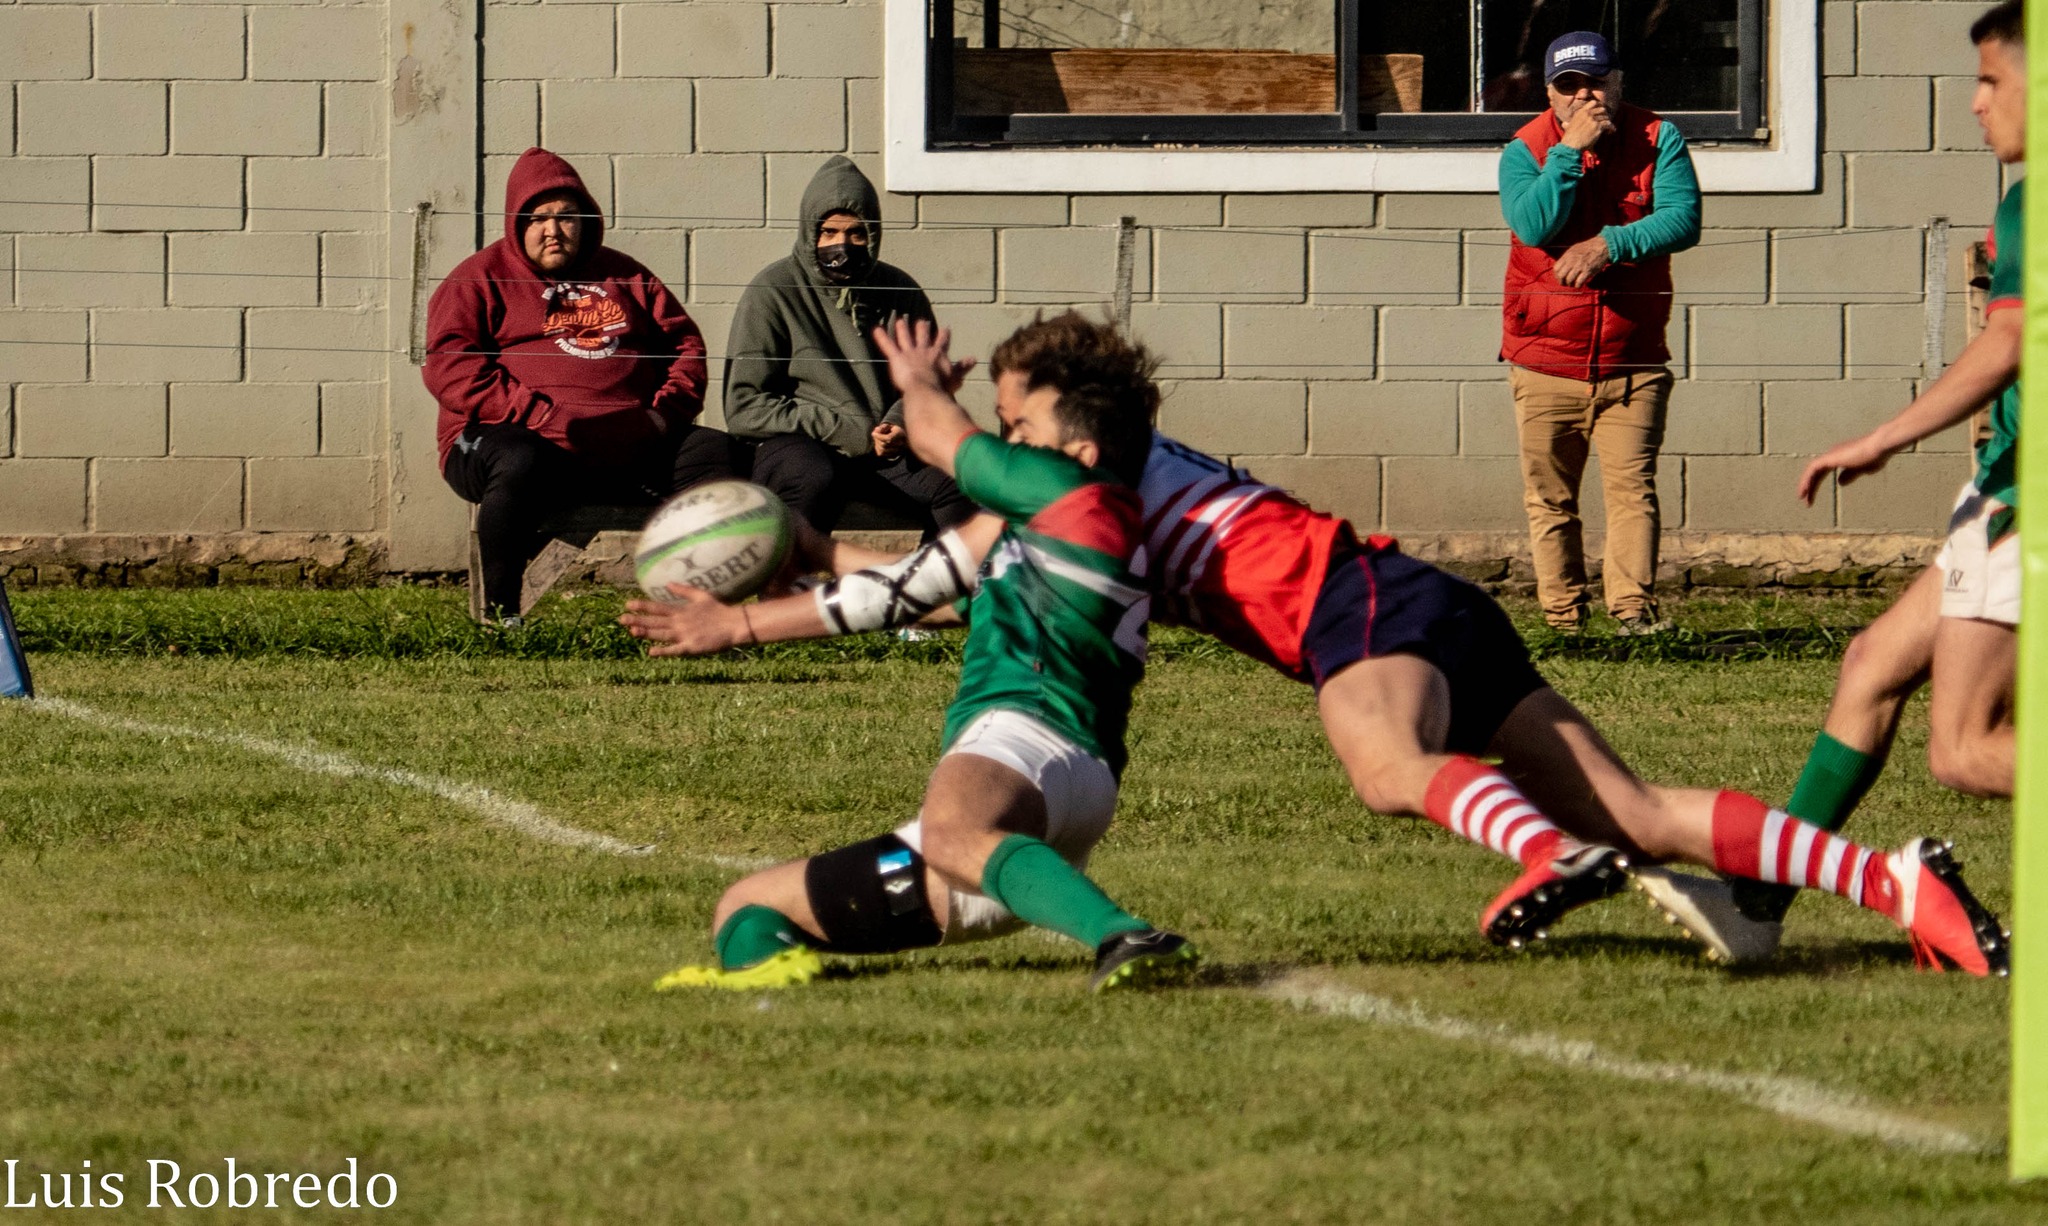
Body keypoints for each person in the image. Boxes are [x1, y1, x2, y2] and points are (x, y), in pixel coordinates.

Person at [625, 316, 2011, 981]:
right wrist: (783, 587)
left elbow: (942, 459)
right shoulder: (1084, 493)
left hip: (1354, 610)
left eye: (1019, 413)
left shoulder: (1085, 476)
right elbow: (946, 567)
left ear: (1071, 428)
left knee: (1378, 759)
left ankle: (1539, 850)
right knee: (1646, 808)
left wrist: (927, 393)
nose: (1006, 433)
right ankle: (1901, 884)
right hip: (1417, 596)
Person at [642, 314, 1196, 993]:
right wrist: (816, 554)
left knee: (948, 831)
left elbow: (935, 437)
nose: (1009, 440)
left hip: (1025, 733)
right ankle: (777, 1001)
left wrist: (917, 384)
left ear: (1081, 451)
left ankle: (1127, 936)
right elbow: (915, 589)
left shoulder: (1073, 493)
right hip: (1056, 799)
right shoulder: (1055, 527)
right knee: (750, 906)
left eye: (1024, 430)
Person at [1726, 0, 2026, 935]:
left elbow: (2011, 340)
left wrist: (1882, 436)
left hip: (2026, 504)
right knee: (1870, 665)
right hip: (2002, 488)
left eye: (1991, 80)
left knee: (1967, 751)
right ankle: (1757, 902)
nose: (1975, 104)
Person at [425, 147, 735, 621]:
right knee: (517, 457)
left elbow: (685, 348)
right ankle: (501, 618)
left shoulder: (627, 275)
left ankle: (699, 612)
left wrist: (661, 416)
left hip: (624, 446)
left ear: (586, 221)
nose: (553, 230)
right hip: (517, 441)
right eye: (538, 218)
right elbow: (452, 368)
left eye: (567, 217)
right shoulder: (478, 278)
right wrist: (539, 415)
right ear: (517, 223)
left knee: (715, 453)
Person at [1499, 31, 1701, 634]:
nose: (1586, 96)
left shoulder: (1658, 137)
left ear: (1619, 82)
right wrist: (1570, 151)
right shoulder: (1524, 149)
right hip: (1543, 359)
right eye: (1569, 86)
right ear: (1549, 93)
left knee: (1632, 493)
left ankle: (1634, 613)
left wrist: (1609, 243)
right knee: (1550, 500)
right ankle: (1564, 618)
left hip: (1632, 358)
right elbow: (1533, 225)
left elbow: (1683, 219)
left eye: (1597, 82)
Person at [723, 156, 975, 539]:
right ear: (811, 234)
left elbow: (928, 381)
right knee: (810, 476)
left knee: (962, 483)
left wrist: (898, 425)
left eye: (857, 233)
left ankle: (935, 590)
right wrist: (848, 430)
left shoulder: (900, 291)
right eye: (829, 232)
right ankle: (782, 589)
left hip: (885, 451)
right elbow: (745, 407)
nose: (842, 244)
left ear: (873, 235)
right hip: (802, 446)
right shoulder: (773, 291)